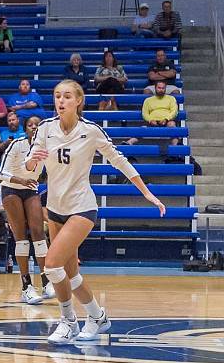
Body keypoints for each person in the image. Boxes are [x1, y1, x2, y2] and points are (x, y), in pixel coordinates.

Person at [24, 79, 165, 344]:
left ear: (78, 101)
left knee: (52, 265)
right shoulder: (45, 128)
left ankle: (68, 321)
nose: (61, 101)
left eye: (67, 96)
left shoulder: (91, 131)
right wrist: (31, 161)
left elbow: (118, 159)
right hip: (54, 208)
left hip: (82, 208)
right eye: (57, 96)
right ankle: (98, 316)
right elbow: (31, 165)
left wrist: (146, 192)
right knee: (71, 274)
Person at [0, 115, 53, 301]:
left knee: (38, 233)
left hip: (31, 189)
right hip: (11, 188)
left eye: (38, 124)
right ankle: (26, 286)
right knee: (21, 237)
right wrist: (21, 180)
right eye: (30, 124)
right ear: (25, 128)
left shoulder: (46, 148)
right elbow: (1, 173)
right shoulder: (16, 144)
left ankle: (46, 283)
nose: (34, 127)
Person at [142, 81, 180, 146]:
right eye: (159, 88)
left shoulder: (171, 98)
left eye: (163, 88)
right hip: (152, 121)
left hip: (167, 121)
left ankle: (175, 147)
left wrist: (166, 119)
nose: (161, 90)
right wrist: (150, 120)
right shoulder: (148, 100)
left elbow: (174, 111)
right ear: (155, 88)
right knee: (142, 128)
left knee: (172, 124)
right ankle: (129, 143)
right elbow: (144, 113)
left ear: (165, 89)